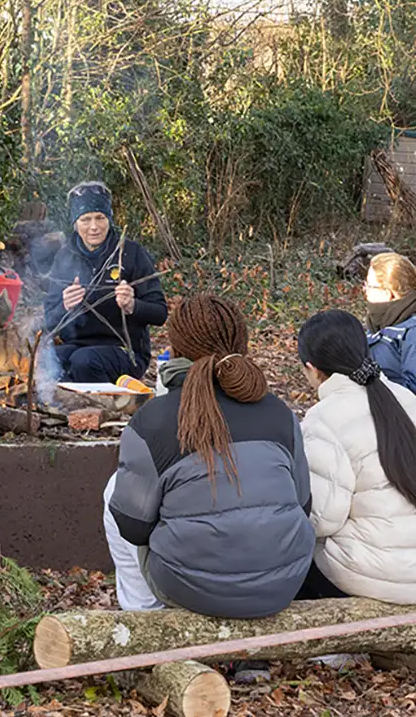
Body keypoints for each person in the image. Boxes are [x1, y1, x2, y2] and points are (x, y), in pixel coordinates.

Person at [107, 294, 314, 618]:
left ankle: (145, 617)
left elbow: (132, 526)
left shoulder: (152, 419)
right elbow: (303, 506)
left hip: (190, 588)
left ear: (176, 348)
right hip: (283, 585)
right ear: (242, 342)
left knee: (113, 491)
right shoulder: (281, 414)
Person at [297, 309, 416, 602]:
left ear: (312, 369)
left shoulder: (323, 419)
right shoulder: (406, 397)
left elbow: (323, 520)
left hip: (378, 577)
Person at [44, 181, 168, 382]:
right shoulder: (65, 256)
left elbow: (160, 314)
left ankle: (101, 409)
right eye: (85, 219)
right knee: (48, 361)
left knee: (83, 361)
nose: (94, 227)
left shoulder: (132, 253)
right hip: (77, 347)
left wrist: (132, 306)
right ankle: (67, 410)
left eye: (100, 218)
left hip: (125, 351)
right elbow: (49, 320)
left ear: (109, 219)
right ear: (75, 223)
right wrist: (65, 305)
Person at [363, 252, 416, 396]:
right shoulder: (378, 323)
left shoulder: (412, 332)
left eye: (370, 286)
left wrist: (373, 380)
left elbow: (412, 392)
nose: (365, 292)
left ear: (388, 293)